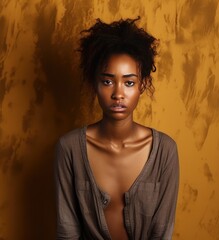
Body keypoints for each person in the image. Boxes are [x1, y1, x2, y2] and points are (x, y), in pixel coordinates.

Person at [54, 17, 179, 240]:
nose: (118, 94)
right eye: (108, 81)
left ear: (142, 85)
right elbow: (67, 229)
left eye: (129, 82)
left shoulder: (165, 151)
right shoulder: (69, 148)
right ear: (95, 83)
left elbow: (161, 232)